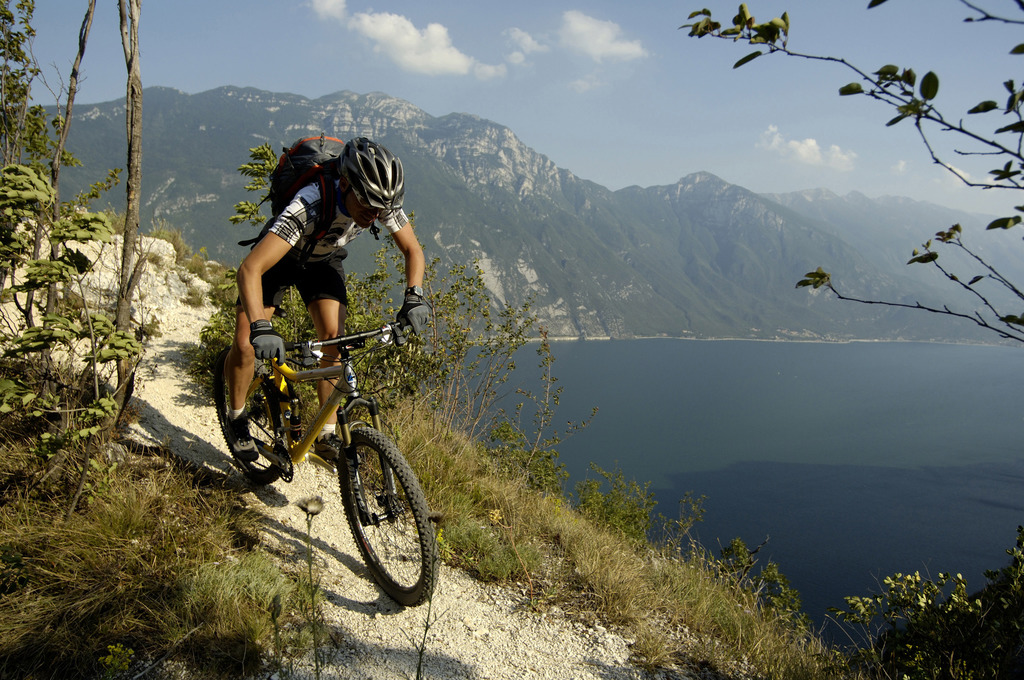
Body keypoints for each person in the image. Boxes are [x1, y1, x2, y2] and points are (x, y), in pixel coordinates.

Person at [224, 137, 429, 462]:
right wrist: (261, 326)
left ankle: (326, 435)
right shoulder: (310, 204)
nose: (374, 216)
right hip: (280, 258)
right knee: (246, 343)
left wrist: (415, 295)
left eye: (380, 209)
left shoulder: (380, 199)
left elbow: (413, 250)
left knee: (335, 342)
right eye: (367, 206)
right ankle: (236, 417)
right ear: (345, 185)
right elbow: (250, 269)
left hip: (323, 260)